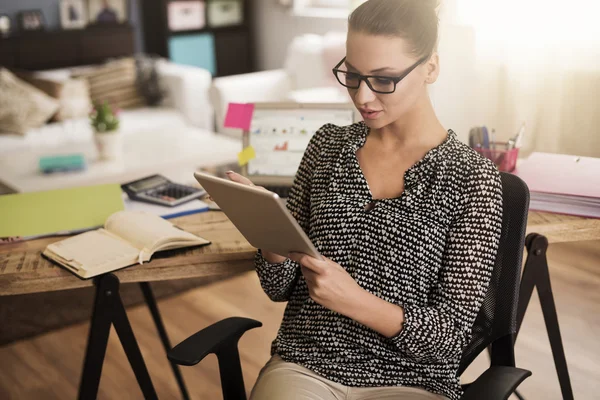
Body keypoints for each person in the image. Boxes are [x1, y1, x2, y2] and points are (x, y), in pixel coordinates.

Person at [227, 0, 503, 399]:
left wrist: (354, 300)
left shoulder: (471, 178)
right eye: (352, 75)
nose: (363, 95)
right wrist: (269, 236)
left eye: (383, 79)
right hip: (307, 366)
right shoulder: (326, 146)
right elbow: (278, 287)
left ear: (431, 68)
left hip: (411, 381)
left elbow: (448, 338)